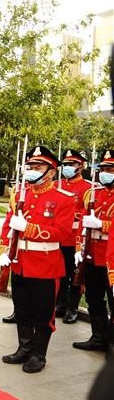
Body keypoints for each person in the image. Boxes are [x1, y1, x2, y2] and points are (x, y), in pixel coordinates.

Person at [0, 146, 73, 373]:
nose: (32, 171)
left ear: (51, 172)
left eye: (37, 167)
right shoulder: (22, 195)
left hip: (45, 264)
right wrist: (4, 250)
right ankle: (24, 348)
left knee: (43, 313)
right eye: (30, 166)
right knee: (22, 309)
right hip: (20, 261)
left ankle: (38, 355)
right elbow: (8, 224)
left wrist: (28, 228)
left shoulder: (64, 199)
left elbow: (62, 233)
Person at [72, 149, 114, 354]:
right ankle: (98, 336)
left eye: (110, 169)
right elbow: (82, 222)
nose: (105, 172)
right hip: (92, 253)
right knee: (93, 297)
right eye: (103, 169)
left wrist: (102, 224)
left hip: (111, 256)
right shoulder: (92, 192)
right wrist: (80, 247)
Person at [55, 149, 92, 323]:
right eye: (66, 164)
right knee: (59, 274)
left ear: (81, 166)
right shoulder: (57, 185)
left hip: (75, 238)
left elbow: (87, 212)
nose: (68, 167)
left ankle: (73, 307)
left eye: (72, 164)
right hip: (57, 237)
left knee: (75, 274)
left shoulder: (87, 188)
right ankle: (60, 304)